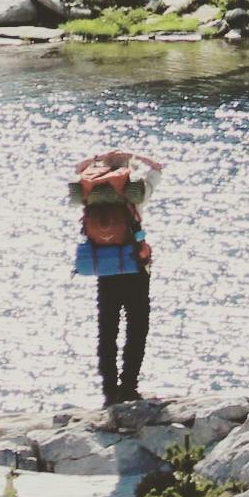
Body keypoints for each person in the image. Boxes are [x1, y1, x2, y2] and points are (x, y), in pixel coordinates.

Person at [71, 149, 160, 406]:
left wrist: (94, 160)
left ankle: (109, 392)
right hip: (134, 264)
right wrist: (140, 158)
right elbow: (158, 170)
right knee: (137, 325)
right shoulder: (135, 191)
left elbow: (77, 169)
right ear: (127, 169)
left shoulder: (91, 193)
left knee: (107, 328)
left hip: (104, 266)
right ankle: (129, 387)